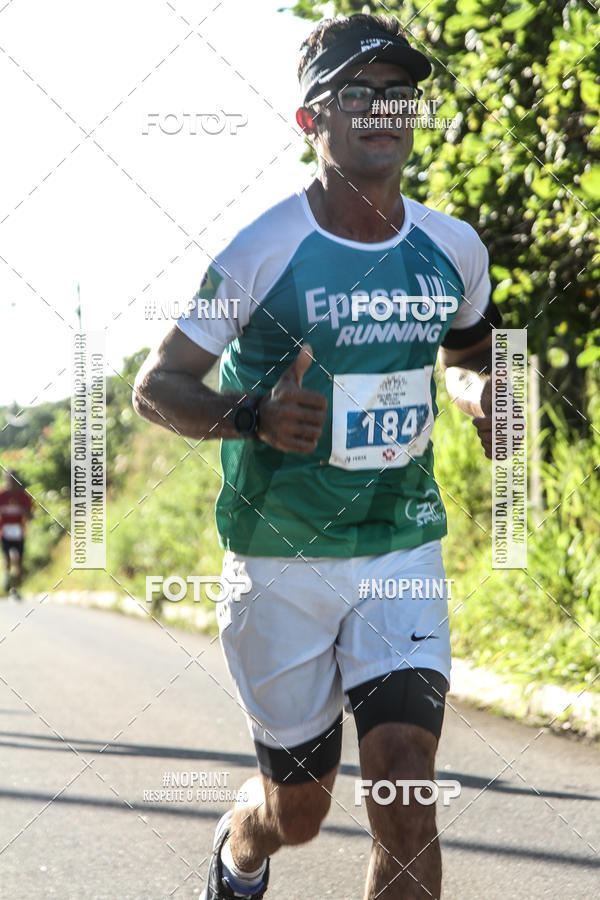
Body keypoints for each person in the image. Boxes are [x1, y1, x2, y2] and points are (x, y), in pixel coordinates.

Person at [133, 13, 501, 899]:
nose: (384, 110)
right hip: (280, 558)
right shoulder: (262, 250)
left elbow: (473, 355)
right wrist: (251, 416)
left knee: (405, 788)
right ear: (311, 120)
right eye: (358, 93)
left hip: (399, 548)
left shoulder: (453, 247)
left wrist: (484, 397)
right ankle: (241, 848)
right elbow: (157, 386)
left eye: (399, 94)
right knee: (298, 812)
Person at [0, 469, 33, 600]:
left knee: (19, 561)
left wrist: (24, 512)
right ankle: (7, 580)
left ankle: (16, 588)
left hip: (19, 532)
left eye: (13, 479)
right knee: (7, 558)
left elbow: (30, 515)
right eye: (9, 479)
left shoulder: (23, 496)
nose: (11, 482)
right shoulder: (2, 495)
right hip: (5, 532)